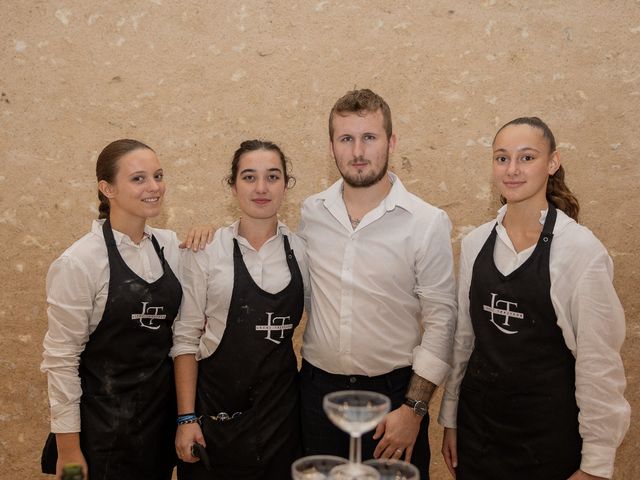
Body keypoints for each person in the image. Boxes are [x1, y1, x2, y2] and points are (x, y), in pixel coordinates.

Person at [439, 117, 630, 480]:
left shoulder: (579, 251)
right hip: (479, 432)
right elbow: (464, 340)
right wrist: (451, 419)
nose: (512, 170)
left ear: (553, 162)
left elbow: (598, 364)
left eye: (526, 158)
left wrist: (595, 465)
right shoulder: (476, 242)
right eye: (501, 158)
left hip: (549, 440)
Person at [298, 88, 457, 479]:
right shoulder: (311, 212)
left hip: (394, 402)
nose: (358, 151)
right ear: (331, 146)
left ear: (391, 141)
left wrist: (414, 410)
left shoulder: (426, 221)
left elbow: (442, 322)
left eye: (369, 137)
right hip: (317, 397)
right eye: (346, 138)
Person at [41, 139, 211, 480]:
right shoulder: (79, 262)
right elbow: (61, 361)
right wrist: (69, 452)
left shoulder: (170, 246)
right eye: (138, 179)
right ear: (107, 188)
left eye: (158, 176)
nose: (154, 187)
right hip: (100, 432)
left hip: (157, 425)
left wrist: (208, 237)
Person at [172, 140, 309, 480]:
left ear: (286, 185)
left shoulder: (304, 252)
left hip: (282, 422)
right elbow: (185, 340)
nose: (261, 188)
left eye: (273, 177)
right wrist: (186, 419)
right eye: (249, 177)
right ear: (232, 186)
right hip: (216, 421)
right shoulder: (205, 251)